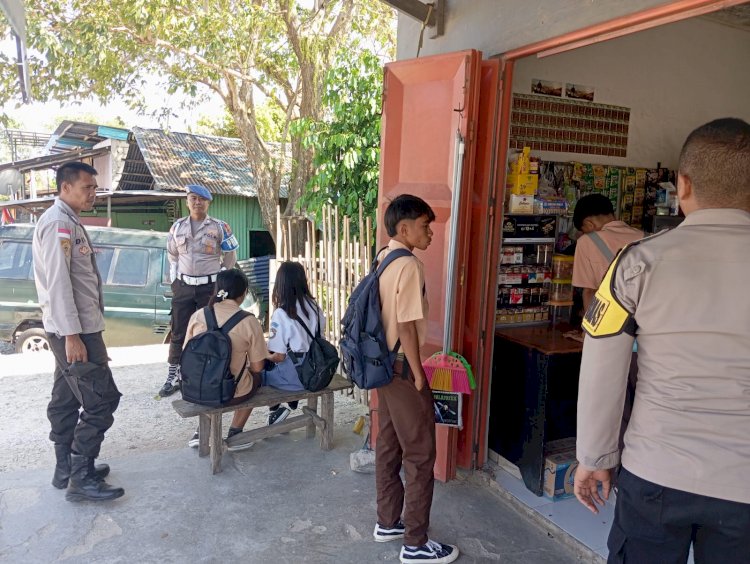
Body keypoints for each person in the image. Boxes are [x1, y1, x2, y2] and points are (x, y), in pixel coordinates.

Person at [574, 118, 750, 563]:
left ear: (683, 184)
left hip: (655, 472)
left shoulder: (636, 263)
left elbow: (601, 368)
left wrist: (595, 457)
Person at [372, 195, 459, 564]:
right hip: (403, 368)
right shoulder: (408, 264)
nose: (431, 233)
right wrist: (420, 375)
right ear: (404, 228)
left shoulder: (383, 257)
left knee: (389, 444)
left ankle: (388, 521)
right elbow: (407, 326)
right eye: (426, 226)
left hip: (381, 366)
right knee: (422, 454)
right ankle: (416, 542)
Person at [32, 162, 124, 502]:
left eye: (94, 187)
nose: (92, 193)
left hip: (77, 328)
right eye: (87, 187)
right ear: (65, 187)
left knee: (67, 397)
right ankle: (80, 476)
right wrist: (73, 336)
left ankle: (65, 468)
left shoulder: (68, 221)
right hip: (74, 330)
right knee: (102, 400)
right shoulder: (58, 224)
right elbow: (58, 285)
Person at [159, 184, 239, 397]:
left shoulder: (221, 227)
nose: (197, 202)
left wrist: (222, 279)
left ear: (208, 202)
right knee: (179, 331)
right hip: (184, 287)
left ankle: (209, 373)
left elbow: (231, 255)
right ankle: (173, 376)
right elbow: (172, 255)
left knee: (210, 331)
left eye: (201, 199)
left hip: (209, 288)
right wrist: (176, 280)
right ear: (187, 201)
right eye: (193, 198)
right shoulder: (177, 227)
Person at [231, 261, 325, 434]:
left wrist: (263, 354)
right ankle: (277, 413)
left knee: (257, 373)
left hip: (297, 378)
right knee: (268, 365)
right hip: (317, 373)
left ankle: (237, 429)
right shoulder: (316, 308)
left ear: (281, 284)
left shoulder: (282, 313)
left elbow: (279, 357)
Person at [183, 269, 267, 449]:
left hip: (196, 390)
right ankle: (236, 433)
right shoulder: (249, 321)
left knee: (208, 378)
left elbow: (185, 353)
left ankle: (200, 431)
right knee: (257, 379)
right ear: (244, 293)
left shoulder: (199, 315)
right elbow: (258, 367)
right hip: (230, 394)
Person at [571, 193, 643, 313]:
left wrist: (588, 331)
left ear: (589, 224)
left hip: (611, 317)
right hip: (644, 314)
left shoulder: (586, 241)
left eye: (584, 230)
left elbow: (589, 292)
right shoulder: (646, 237)